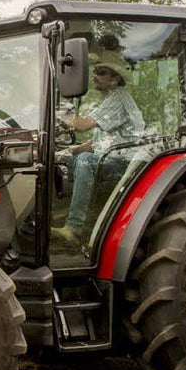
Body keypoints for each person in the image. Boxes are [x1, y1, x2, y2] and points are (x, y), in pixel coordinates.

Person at [55, 53, 144, 241]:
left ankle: (74, 227)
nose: (95, 76)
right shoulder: (109, 100)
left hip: (125, 164)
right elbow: (100, 143)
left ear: (115, 79)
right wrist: (71, 150)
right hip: (111, 157)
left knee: (85, 162)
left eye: (101, 73)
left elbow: (83, 125)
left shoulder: (118, 98)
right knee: (57, 161)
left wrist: (56, 115)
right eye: (95, 71)